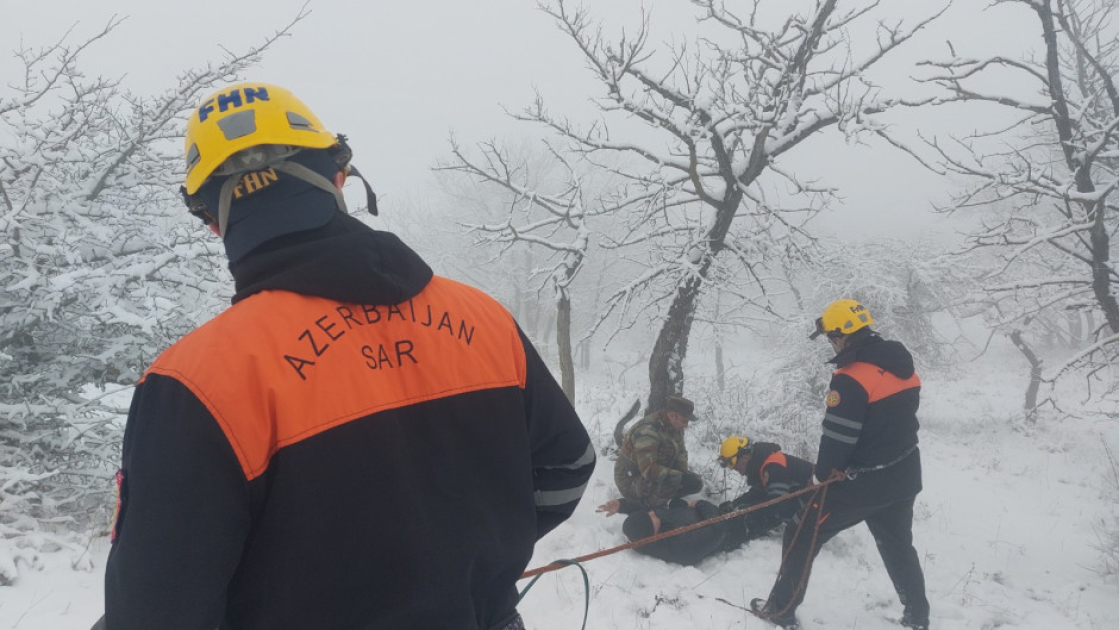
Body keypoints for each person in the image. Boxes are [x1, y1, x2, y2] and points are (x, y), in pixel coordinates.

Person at [102, 82, 595, 630]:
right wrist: (470, 564)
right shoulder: (484, 319)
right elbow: (568, 466)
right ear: (339, 180)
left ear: (213, 221)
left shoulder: (195, 382)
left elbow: (153, 611)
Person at [751, 299, 930, 630]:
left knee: (800, 529)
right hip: (904, 476)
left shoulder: (851, 378)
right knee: (897, 545)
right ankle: (918, 616)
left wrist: (819, 478)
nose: (830, 343)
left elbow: (838, 438)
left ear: (841, 335)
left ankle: (780, 609)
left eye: (831, 337)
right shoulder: (902, 367)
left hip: (862, 485)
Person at [604, 395, 703, 511]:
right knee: (667, 485)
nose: (686, 425)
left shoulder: (675, 427)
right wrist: (678, 478)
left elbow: (681, 453)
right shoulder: (648, 431)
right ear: (672, 415)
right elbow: (648, 470)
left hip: (656, 468)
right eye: (684, 420)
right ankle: (645, 506)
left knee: (696, 483)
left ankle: (660, 497)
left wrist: (683, 474)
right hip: (630, 478)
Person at [716, 436, 815, 549]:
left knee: (764, 515)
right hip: (804, 500)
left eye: (736, 466)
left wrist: (747, 511)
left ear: (745, 457)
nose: (735, 470)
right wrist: (735, 504)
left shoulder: (774, 465)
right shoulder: (763, 463)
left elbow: (778, 504)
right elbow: (759, 491)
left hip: (819, 503)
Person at [618, 499, 728, 566]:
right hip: (729, 525)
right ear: (651, 532)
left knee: (676, 502)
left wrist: (621, 505)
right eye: (650, 517)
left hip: (693, 514)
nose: (652, 513)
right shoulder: (681, 544)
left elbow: (646, 513)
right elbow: (718, 528)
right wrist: (700, 504)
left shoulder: (652, 529)